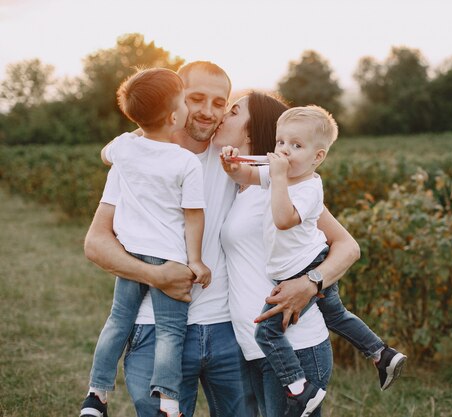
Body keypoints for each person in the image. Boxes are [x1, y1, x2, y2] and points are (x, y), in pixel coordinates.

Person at [83, 61, 360, 417]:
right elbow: (96, 243)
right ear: (176, 102)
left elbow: (344, 243)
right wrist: (155, 275)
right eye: (196, 99)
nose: (209, 112)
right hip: (156, 325)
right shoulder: (138, 159)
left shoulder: (238, 163)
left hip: (226, 329)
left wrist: (311, 283)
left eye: (221, 104)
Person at [221, 105, 408, 416]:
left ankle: (300, 389)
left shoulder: (307, 187)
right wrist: (231, 165)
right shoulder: (279, 176)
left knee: (267, 331)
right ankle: (381, 353)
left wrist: (278, 177)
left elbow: (283, 219)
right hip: (294, 271)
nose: (284, 151)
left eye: (296, 145)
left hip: (305, 269)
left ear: (317, 157)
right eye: (281, 143)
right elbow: (247, 173)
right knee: (336, 314)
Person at [80, 68, 211, 417]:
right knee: (170, 331)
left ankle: (97, 394)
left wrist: (144, 124)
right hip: (168, 257)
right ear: (174, 116)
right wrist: (195, 261)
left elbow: (106, 153)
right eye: (184, 101)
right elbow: (193, 215)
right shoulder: (185, 161)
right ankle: (168, 401)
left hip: (130, 252)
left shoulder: (125, 147)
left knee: (118, 321)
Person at [217, 92, 335, 417]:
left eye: (232, 111)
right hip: (257, 346)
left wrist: (312, 282)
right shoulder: (244, 185)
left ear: (252, 132)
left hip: (294, 343)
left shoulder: (286, 187)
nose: (222, 115)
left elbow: (347, 246)